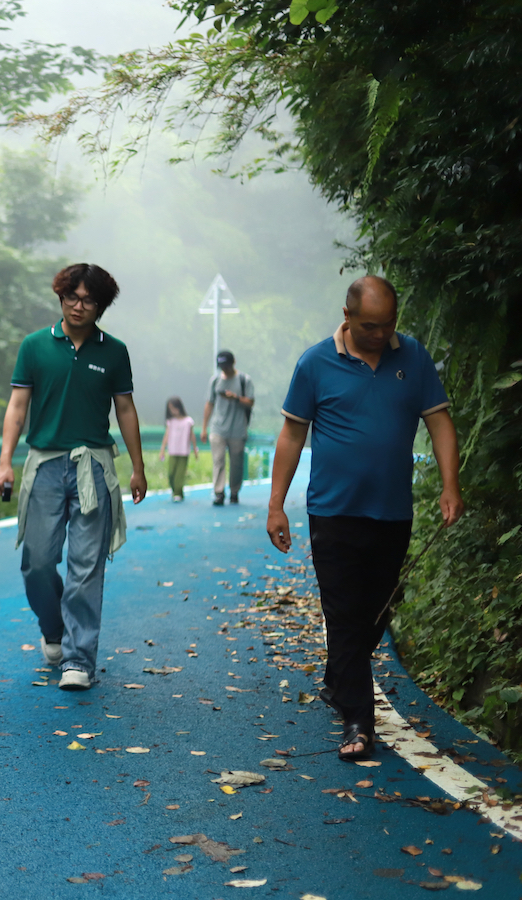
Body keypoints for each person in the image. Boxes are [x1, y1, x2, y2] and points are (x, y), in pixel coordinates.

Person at [267, 275, 463, 762]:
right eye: (369, 326)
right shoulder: (315, 363)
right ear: (347, 316)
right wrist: (276, 504)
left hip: (392, 512)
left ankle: (339, 678)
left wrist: (450, 485)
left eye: (388, 324)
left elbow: (439, 422)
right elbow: (292, 435)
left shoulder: (413, 357)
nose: (380, 335)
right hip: (333, 511)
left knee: (378, 610)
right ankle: (358, 719)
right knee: (343, 613)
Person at [0, 263, 147, 692]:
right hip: (44, 464)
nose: (78, 306)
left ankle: (79, 660)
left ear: (101, 306)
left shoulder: (114, 352)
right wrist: (5, 461)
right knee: (37, 563)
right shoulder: (35, 346)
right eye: (72, 297)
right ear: (60, 298)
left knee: (85, 567)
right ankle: (54, 628)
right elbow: (17, 406)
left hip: (93, 467)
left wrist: (137, 467)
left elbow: (126, 409)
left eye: (88, 300)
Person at [201, 350, 255, 506]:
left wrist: (235, 397)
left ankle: (234, 491)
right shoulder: (215, 381)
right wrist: (204, 427)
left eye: (227, 365)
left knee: (236, 463)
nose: (224, 369)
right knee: (218, 461)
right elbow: (209, 403)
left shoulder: (244, 380)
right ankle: (219, 493)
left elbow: (250, 402)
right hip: (218, 428)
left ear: (233, 363)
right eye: (222, 366)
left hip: (237, 428)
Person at [158, 396, 199, 502]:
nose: (173, 411)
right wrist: (162, 450)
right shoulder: (170, 421)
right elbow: (166, 435)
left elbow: (192, 435)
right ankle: (176, 491)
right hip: (173, 450)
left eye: (174, 408)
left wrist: (195, 449)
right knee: (171, 473)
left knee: (180, 474)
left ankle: (177, 493)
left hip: (183, 451)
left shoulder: (188, 421)